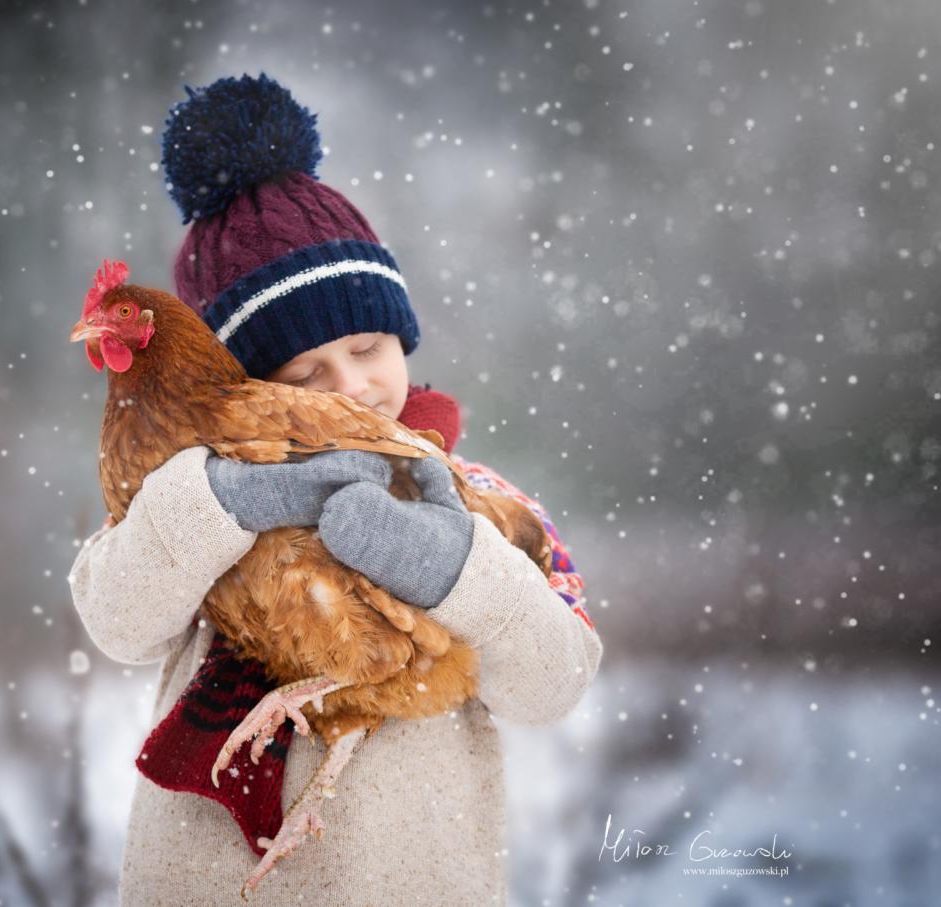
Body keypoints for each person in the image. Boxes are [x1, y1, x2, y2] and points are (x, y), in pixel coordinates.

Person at [68, 73, 602, 906]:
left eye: (367, 347)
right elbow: (117, 622)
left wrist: (457, 567)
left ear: (402, 337)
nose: (350, 386)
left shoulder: (472, 496)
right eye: (306, 372)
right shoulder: (192, 492)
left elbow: (556, 682)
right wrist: (222, 500)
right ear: (257, 390)